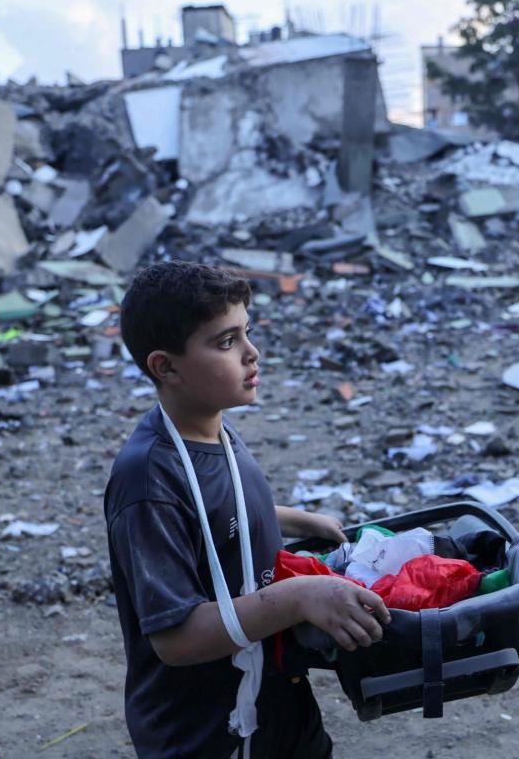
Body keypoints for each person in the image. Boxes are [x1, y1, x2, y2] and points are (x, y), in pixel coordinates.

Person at [105, 261, 391, 758]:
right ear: (166, 367)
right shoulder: (147, 479)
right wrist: (300, 595)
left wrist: (296, 520)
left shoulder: (209, 425)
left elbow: (213, 508)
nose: (252, 353)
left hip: (277, 702)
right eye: (226, 342)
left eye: (247, 333)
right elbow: (176, 639)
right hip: (207, 733)